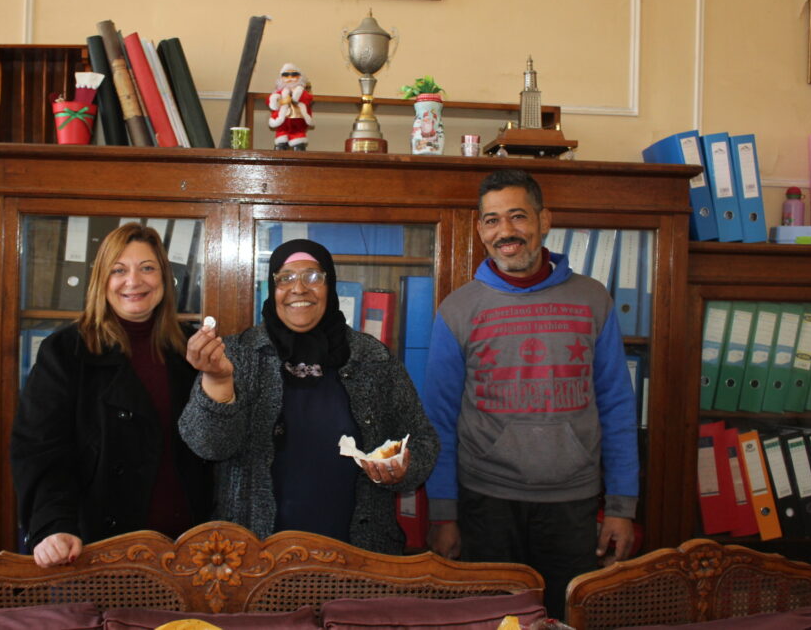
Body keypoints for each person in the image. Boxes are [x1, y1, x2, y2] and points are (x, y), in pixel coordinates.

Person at [422, 169, 639, 619]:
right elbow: (438, 420)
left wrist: (622, 507)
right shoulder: (457, 310)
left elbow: (617, 405)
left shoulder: (593, 300)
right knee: (491, 623)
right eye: (492, 220)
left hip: (573, 505)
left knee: (564, 620)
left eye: (518, 216)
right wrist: (443, 515)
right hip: (486, 505)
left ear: (544, 220)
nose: (506, 231)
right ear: (480, 229)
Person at [179, 239, 439, 554]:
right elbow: (208, 447)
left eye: (313, 276)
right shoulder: (237, 354)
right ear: (272, 288)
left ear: (330, 285)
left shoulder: (372, 357)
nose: (299, 288)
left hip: (360, 555)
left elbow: (423, 441)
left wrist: (403, 468)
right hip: (254, 557)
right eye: (285, 278)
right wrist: (218, 380)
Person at [11, 222, 212, 568]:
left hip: (188, 548)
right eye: (119, 270)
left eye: (147, 268)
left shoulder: (189, 348)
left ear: (165, 278)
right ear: (101, 280)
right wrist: (54, 525)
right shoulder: (66, 351)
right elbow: (41, 450)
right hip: (99, 548)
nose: (133, 281)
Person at [268, 63, 314, 151]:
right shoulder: (279, 93)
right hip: (283, 121)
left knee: (299, 136)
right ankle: (281, 144)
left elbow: (308, 99)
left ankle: (299, 145)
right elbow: (271, 101)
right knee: (281, 136)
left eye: (294, 75)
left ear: (299, 77)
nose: (290, 78)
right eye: (286, 75)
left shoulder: (302, 92)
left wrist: (297, 95)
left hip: (298, 119)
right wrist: (281, 101)